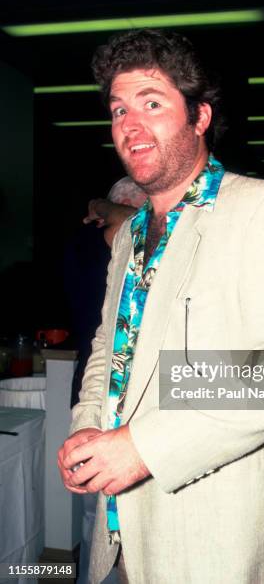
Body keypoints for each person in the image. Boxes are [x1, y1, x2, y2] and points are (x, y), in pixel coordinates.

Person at [57, 29, 264, 584]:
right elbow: (110, 349)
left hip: (218, 531)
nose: (129, 125)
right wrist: (88, 428)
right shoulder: (130, 234)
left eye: (152, 104)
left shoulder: (261, 208)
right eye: (118, 110)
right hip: (118, 525)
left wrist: (146, 445)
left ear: (200, 117)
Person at [64, 176, 146, 584]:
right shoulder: (125, 244)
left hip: (90, 384)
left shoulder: (80, 246)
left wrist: (101, 205)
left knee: (92, 517)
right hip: (107, 387)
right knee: (108, 513)